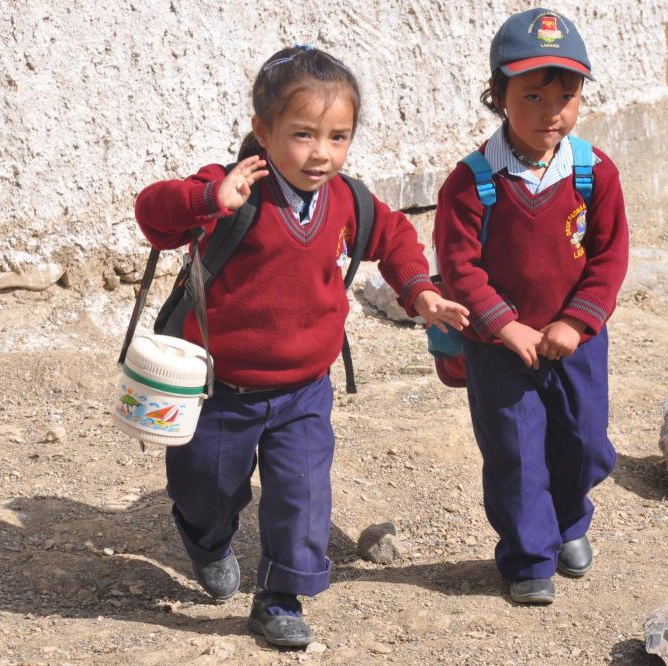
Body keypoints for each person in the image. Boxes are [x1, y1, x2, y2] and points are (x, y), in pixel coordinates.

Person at [134, 45, 469, 647]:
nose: (323, 153)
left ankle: (280, 597)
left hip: (305, 389)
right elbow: (153, 215)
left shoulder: (345, 200)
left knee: (303, 495)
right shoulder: (232, 190)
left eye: (339, 137)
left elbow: (392, 237)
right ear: (263, 131)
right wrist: (208, 201)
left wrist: (420, 291)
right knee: (205, 487)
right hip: (221, 389)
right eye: (304, 134)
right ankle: (205, 534)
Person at [433, 8, 629, 605]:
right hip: (499, 350)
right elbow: (459, 267)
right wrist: (503, 325)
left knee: (585, 441)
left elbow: (609, 257)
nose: (552, 112)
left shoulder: (594, 173)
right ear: (498, 94)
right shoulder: (471, 183)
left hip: (575, 344)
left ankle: (569, 521)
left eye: (566, 96)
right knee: (516, 453)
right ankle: (528, 556)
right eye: (533, 96)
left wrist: (575, 321)